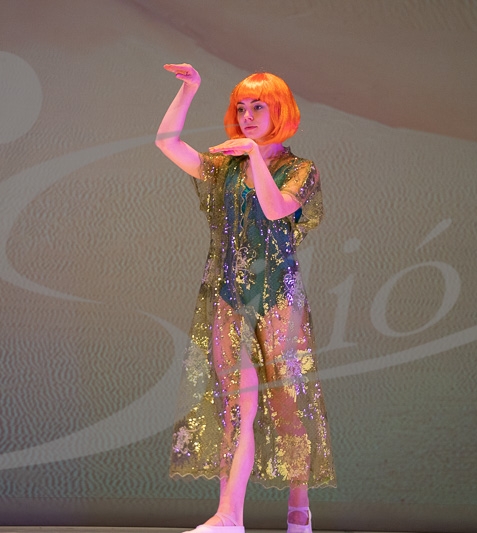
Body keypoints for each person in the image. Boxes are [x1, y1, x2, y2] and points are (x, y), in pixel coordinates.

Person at [155, 64, 336, 533]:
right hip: (228, 296)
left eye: (258, 107)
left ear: (280, 112)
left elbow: (275, 208)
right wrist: (189, 90)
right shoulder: (224, 168)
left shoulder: (300, 170)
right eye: (241, 108)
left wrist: (255, 155)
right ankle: (228, 515)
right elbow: (167, 143)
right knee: (237, 405)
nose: (248, 115)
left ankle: (299, 505)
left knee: (289, 406)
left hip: (278, 299)